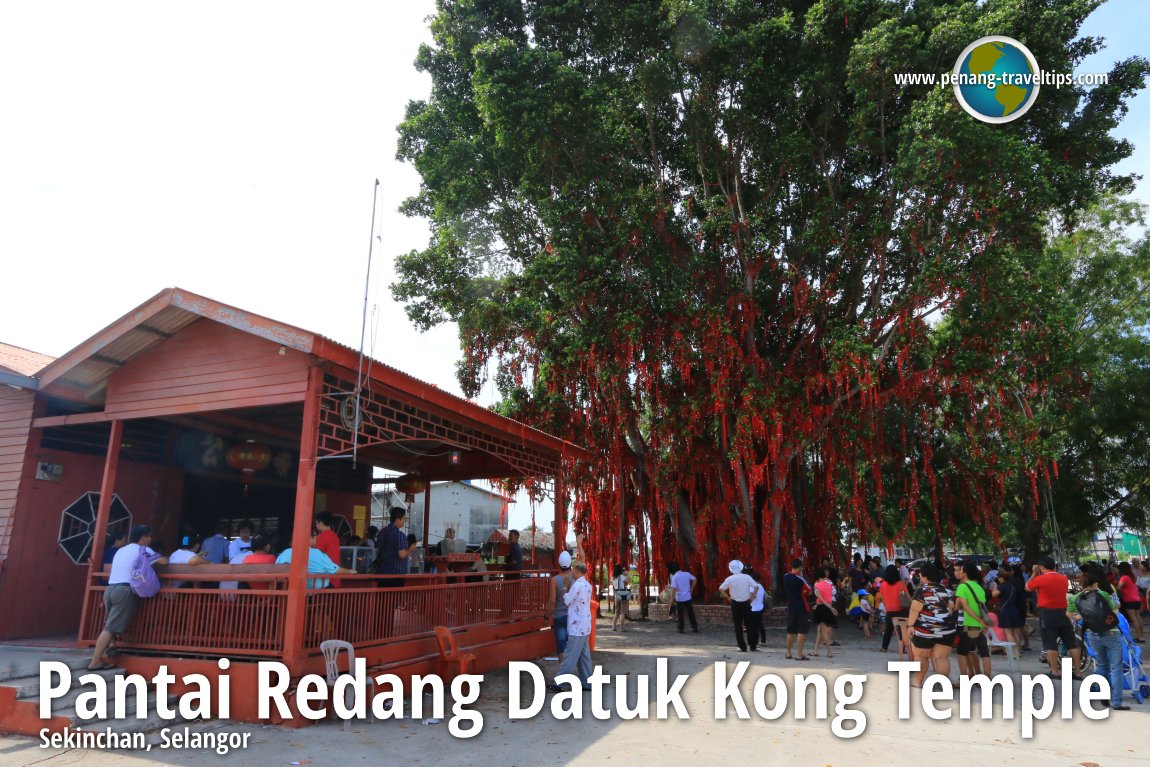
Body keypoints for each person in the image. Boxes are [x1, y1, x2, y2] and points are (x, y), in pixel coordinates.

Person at [88, 525, 168, 670]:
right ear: (143, 537)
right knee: (110, 628)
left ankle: (112, 647)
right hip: (124, 591)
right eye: (149, 536)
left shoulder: (121, 550)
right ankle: (95, 661)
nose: (150, 539)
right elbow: (163, 562)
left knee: (110, 622)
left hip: (110, 589)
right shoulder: (143, 549)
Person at [1075, 567, 1129, 710]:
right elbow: (1116, 610)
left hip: (1093, 633)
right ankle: (1116, 701)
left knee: (1101, 664)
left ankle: (1102, 695)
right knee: (1116, 667)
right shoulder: (1106, 592)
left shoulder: (1078, 597)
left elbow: (1076, 614)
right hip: (1111, 632)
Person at [1026, 557, 1083, 679]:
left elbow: (1028, 587)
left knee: (1050, 642)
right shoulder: (1063, 578)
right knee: (1071, 642)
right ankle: (1078, 672)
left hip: (1047, 613)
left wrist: (1034, 573)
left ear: (1042, 567)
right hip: (1063, 611)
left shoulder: (1040, 579)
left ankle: (1055, 671)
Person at [907, 564, 956, 688]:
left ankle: (917, 682)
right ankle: (942, 684)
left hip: (924, 629)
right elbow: (953, 607)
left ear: (923, 576)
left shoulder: (922, 590)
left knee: (921, 656)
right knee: (942, 657)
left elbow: (914, 609)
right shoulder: (946, 590)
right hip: (945, 630)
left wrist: (910, 625)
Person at [549, 560, 593, 692]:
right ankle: (587, 682)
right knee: (584, 656)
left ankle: (561, 682)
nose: (571, 572)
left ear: (578, 572)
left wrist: (566, 587)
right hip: (585, 624)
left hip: (576, 626)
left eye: (573, 570)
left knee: (569, 655)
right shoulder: (587, 584)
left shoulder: (576, 585)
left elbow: (567, 600)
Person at [275, 529, 354, 589]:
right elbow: (334, 569)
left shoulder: (285, 553)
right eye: (316, 535)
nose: (317, 537)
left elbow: (276, 567)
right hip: (314, 593)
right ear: (310, 537)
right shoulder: (317, 553)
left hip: (289, 591)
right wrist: (349, 571)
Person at [955, 562, 992, 677]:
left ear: (965, 573)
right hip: (981, 626)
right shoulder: (979, 587)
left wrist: (978, 620)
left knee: (961, 652)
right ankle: (986, 678)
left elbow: (965, 607)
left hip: (969, 625)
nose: (959, 572)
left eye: (960, 570)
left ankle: (964, 679)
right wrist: (982, 622)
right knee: (984, 653)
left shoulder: (962, 586)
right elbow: (981, 607)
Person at [719, 560, 759, 652]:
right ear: (741, 567)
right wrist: (752, 597)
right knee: (750, 625)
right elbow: (756, 587)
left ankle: (742, 646)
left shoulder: (730, 579)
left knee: (738, 626)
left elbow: (720, 588)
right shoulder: (747, 577)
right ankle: (752, 645)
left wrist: (728, 598)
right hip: (746, 602)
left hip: (735, 603)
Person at [375, 507, 418, 585]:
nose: (404, 521)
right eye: (404, 519)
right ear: (398, 520)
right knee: (394, 597)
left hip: (381, 573)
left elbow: (378, 547)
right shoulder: (399, 535)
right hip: (396, 574)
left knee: (382, 597)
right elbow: (401, 555)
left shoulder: (382, 532)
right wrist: (410, 549)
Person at [992, 563, 1027, 650]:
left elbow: (994, 595)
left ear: (1001, 578)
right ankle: (1018, 651)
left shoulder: (1002, 586)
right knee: (1015, 631)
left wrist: (995, 586)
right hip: (1014, 609)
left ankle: (1013, 652)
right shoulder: (1012, 585)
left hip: (1006, 610)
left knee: (1008, 632)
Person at [877, 564, 910, 652]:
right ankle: (902, 649)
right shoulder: (901, 584)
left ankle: (884, 647)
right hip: (902, 610)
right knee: (902, 630)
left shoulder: (882, 585)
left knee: (888, 630)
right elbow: (908, 597)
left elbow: (883, 599)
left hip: (889, 611)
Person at [782, 559, 811, 660]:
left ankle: (788, 652)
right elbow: (809, 590)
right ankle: (799, 654)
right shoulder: (800, 579)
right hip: (801, 606)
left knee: (790, 630)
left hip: (791, 606)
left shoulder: (786, 576)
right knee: (801, 631)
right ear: (799, 567)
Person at [551, 551, 574, 660]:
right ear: (570, 563)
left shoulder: (554, 580)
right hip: (573, 616)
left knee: (561, 647)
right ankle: (570, 669)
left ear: (559, 564)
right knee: (572, 646)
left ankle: (564, 672)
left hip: (559, 616)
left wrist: (547, 616)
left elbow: (552, 601)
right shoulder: (575, 578)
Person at [811, 567, 838, 658]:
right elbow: (828, 598)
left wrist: (825, 606)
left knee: (823, 631)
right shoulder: (829, 585)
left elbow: (821, 599)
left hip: (822, 608)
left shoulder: (817, 585)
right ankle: (815, 650)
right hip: (827, 607)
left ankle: (829, 651)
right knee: (820, 630)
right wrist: (830, 607)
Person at [1116, 562, 1145, 643]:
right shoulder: (1131, 577)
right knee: (1138, 617)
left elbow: (1119, 587)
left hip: (1129, 600)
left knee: (1133, 618)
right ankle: (1142, 636)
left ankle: (1139, 637)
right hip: (1137, 599)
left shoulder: (1124, 577)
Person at [314, 512, 343, 587]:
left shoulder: (321, 537)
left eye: (316, 523)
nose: (316, 525)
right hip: (335, 574)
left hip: (324, 579)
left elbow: (316, 557)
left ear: (321, 522)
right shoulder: (335, 536)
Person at [669, 561, 698, 633]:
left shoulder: (675, 577)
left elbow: (674, 589)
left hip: (679, 599)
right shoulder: (686, 574)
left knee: (680, 614)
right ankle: (694, 627)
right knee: (691, 613)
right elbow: (695, 580)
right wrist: (691, 589)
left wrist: (671, 599)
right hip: (688, 597)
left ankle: (681, 629)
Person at [747, 568, 767, 646]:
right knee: (760, 624)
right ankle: (763, 640)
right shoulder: (761, 586)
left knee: (753, 626)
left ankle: (754, 641)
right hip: (760, 608)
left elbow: (752, 597)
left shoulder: (753, 587)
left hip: (753, 609)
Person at [611, 564, 631, 631]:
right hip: (623, 595)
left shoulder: (613, 578)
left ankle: (613, 627)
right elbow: (628, 581)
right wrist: (627, 575)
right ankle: (621, 628)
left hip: (617, 595)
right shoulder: (622, 576)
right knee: (622, 612)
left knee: (616, 612)